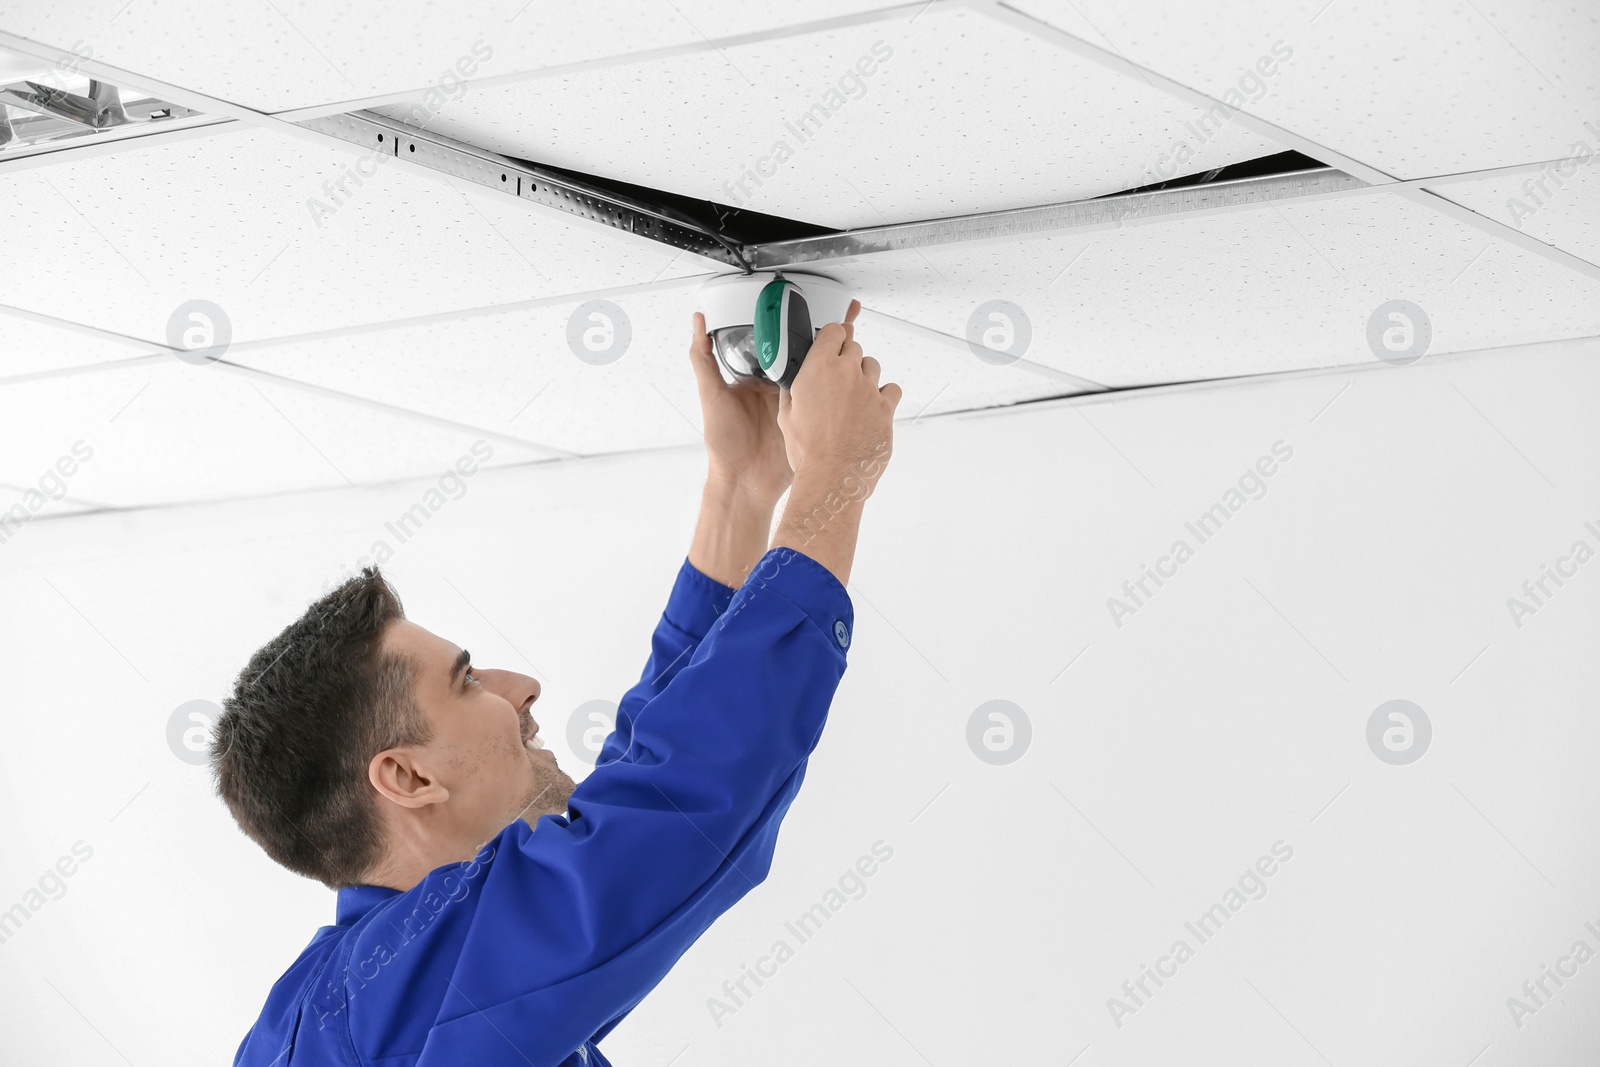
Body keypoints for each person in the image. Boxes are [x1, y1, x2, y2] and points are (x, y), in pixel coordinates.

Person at [212, 299, 902, 1066]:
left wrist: (739, 489)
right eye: (467, 681)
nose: (522, 686)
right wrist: (834, 480)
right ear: (406, 774)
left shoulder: (357, 1007)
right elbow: (671, 815)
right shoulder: (387, 1002)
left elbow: (640, 809)